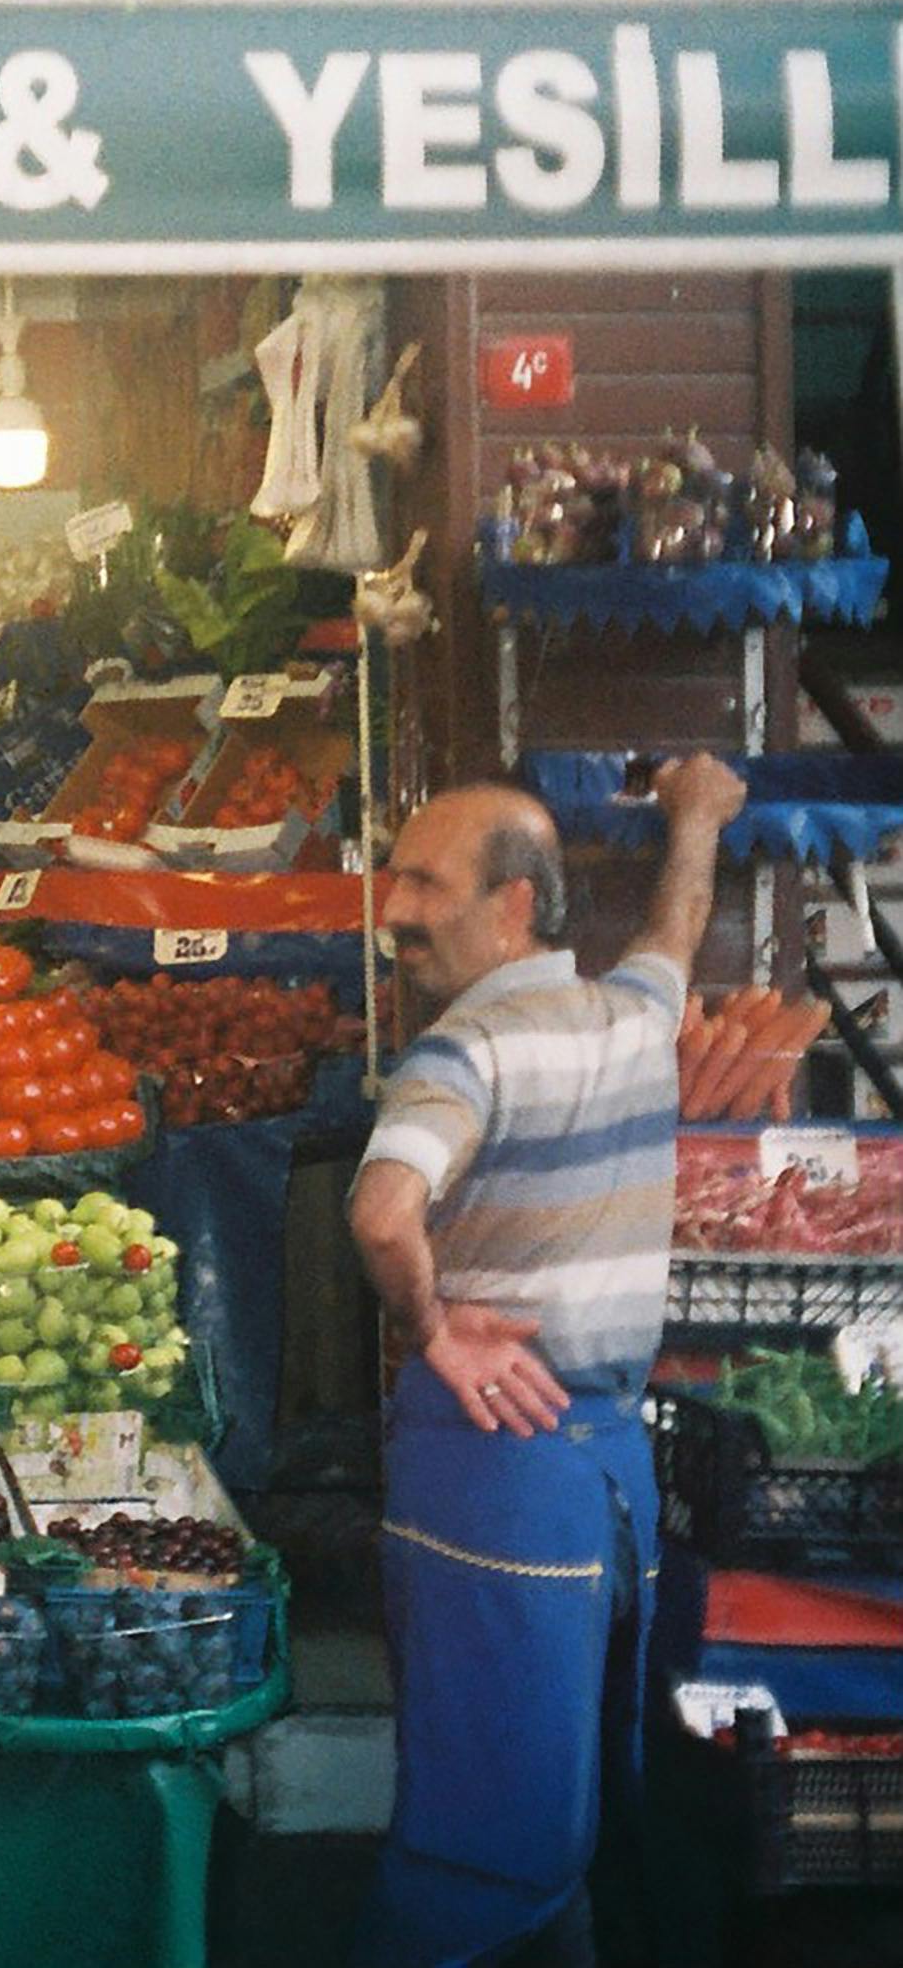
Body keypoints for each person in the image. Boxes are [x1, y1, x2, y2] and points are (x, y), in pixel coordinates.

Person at [346, 757, 743, 1968]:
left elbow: (380, 1207)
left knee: (484, 1813)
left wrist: (432, 1324)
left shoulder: (460, 1054)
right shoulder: (630, 1016)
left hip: (494, 1465)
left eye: (425, 880)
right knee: (560, 1790)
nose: (395, 909)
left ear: (514, 903)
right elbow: (674, 930)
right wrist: (698, 819)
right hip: (606, 1480)